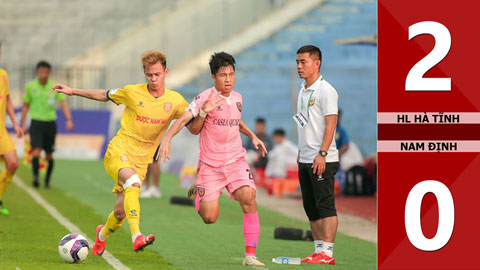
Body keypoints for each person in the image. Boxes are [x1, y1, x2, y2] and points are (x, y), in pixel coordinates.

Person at [52, 50, 203, 254]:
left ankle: (101, 235)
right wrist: (73, 91)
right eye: (149, 75)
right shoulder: (133, 92)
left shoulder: (175, 101)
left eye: (157, 74)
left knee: (120, 213)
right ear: (144, 73)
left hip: (142, 161)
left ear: (166, 72)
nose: (153, 79)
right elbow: (103, 95)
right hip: (119, 149)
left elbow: (194, 128)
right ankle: (137, 236)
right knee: (133, 183)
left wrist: (205, 112)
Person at [158, 52, 268, 267]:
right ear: (213, 77)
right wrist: (169, 137)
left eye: (231, 74)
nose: (228, 79)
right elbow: (191, 127)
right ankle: (199, 191)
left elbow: (236, 121)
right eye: (223, 75)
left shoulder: (237, 98)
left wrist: (252, 136)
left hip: (236, 161)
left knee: (249, 197)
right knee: (210, 218)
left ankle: (250, 256)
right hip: (210, 165)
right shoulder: (204, 98)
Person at [295, 45, 339, 265]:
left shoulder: (326, 90)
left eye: (303, 62)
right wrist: (301, 151)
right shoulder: (303, 90)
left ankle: (328, 253)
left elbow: (331, 124)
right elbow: (305, 124)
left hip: (323, 158)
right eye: (297, 62)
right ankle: (318, 250)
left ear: (317, 63)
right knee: (310, 206)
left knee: (325, 205)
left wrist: (322, 153)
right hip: (305, 157)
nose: (299, 66)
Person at [21, 61, 74, 188]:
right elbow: (26, 105)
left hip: (50, 124)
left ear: (49, 73)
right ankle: (36, 178)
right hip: (36, 123)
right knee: (36, 152)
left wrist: (69, 119)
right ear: (37, 72)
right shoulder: (30, 87)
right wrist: (22, 123)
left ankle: (47, 180)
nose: (44, 74)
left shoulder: (54, 87)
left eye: (46, 72)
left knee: (49, 154)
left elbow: (63, 103)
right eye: (41, 72)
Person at [0, 42, 24, 215]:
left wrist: (15, 123)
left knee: (13, 163)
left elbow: (7, 99)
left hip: (1, 131)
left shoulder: (3, 75)